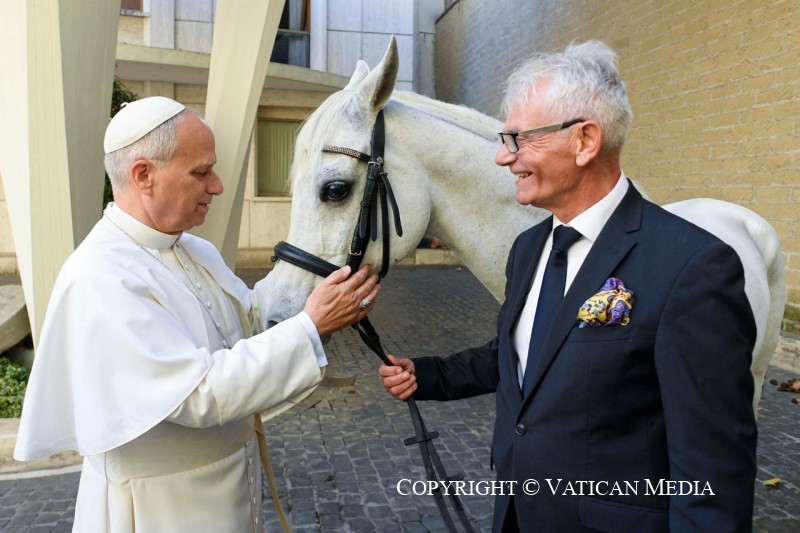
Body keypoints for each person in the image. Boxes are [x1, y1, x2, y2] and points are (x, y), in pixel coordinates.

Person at [380, 41, 757, 532]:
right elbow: (527, 355)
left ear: (585, 141)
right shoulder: (528, 248)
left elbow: (711, 472)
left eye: (519, 139)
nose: (503, 157)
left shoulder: (693, 266)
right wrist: (430, 375)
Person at [14, 96, 381, 532]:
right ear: (143, 175)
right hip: (161, 509)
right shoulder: (101, 275)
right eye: (201, 172)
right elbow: (196, 394)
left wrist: (314, 293)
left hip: (232, 485)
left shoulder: (193, 248)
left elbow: (247, 320)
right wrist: (312, 325)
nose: (218, 186)